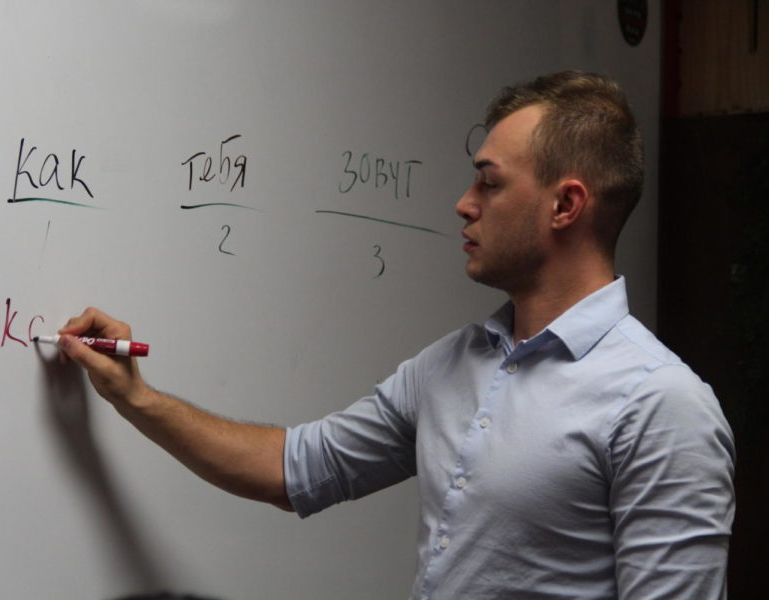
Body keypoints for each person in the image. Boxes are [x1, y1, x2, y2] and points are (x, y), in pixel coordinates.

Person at [57, 71, 735, 599]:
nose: (464, 204)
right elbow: (292, 469)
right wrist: (136, 398)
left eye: (488, 183)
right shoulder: (449, 366)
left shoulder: (661, 405)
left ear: (566, 205)